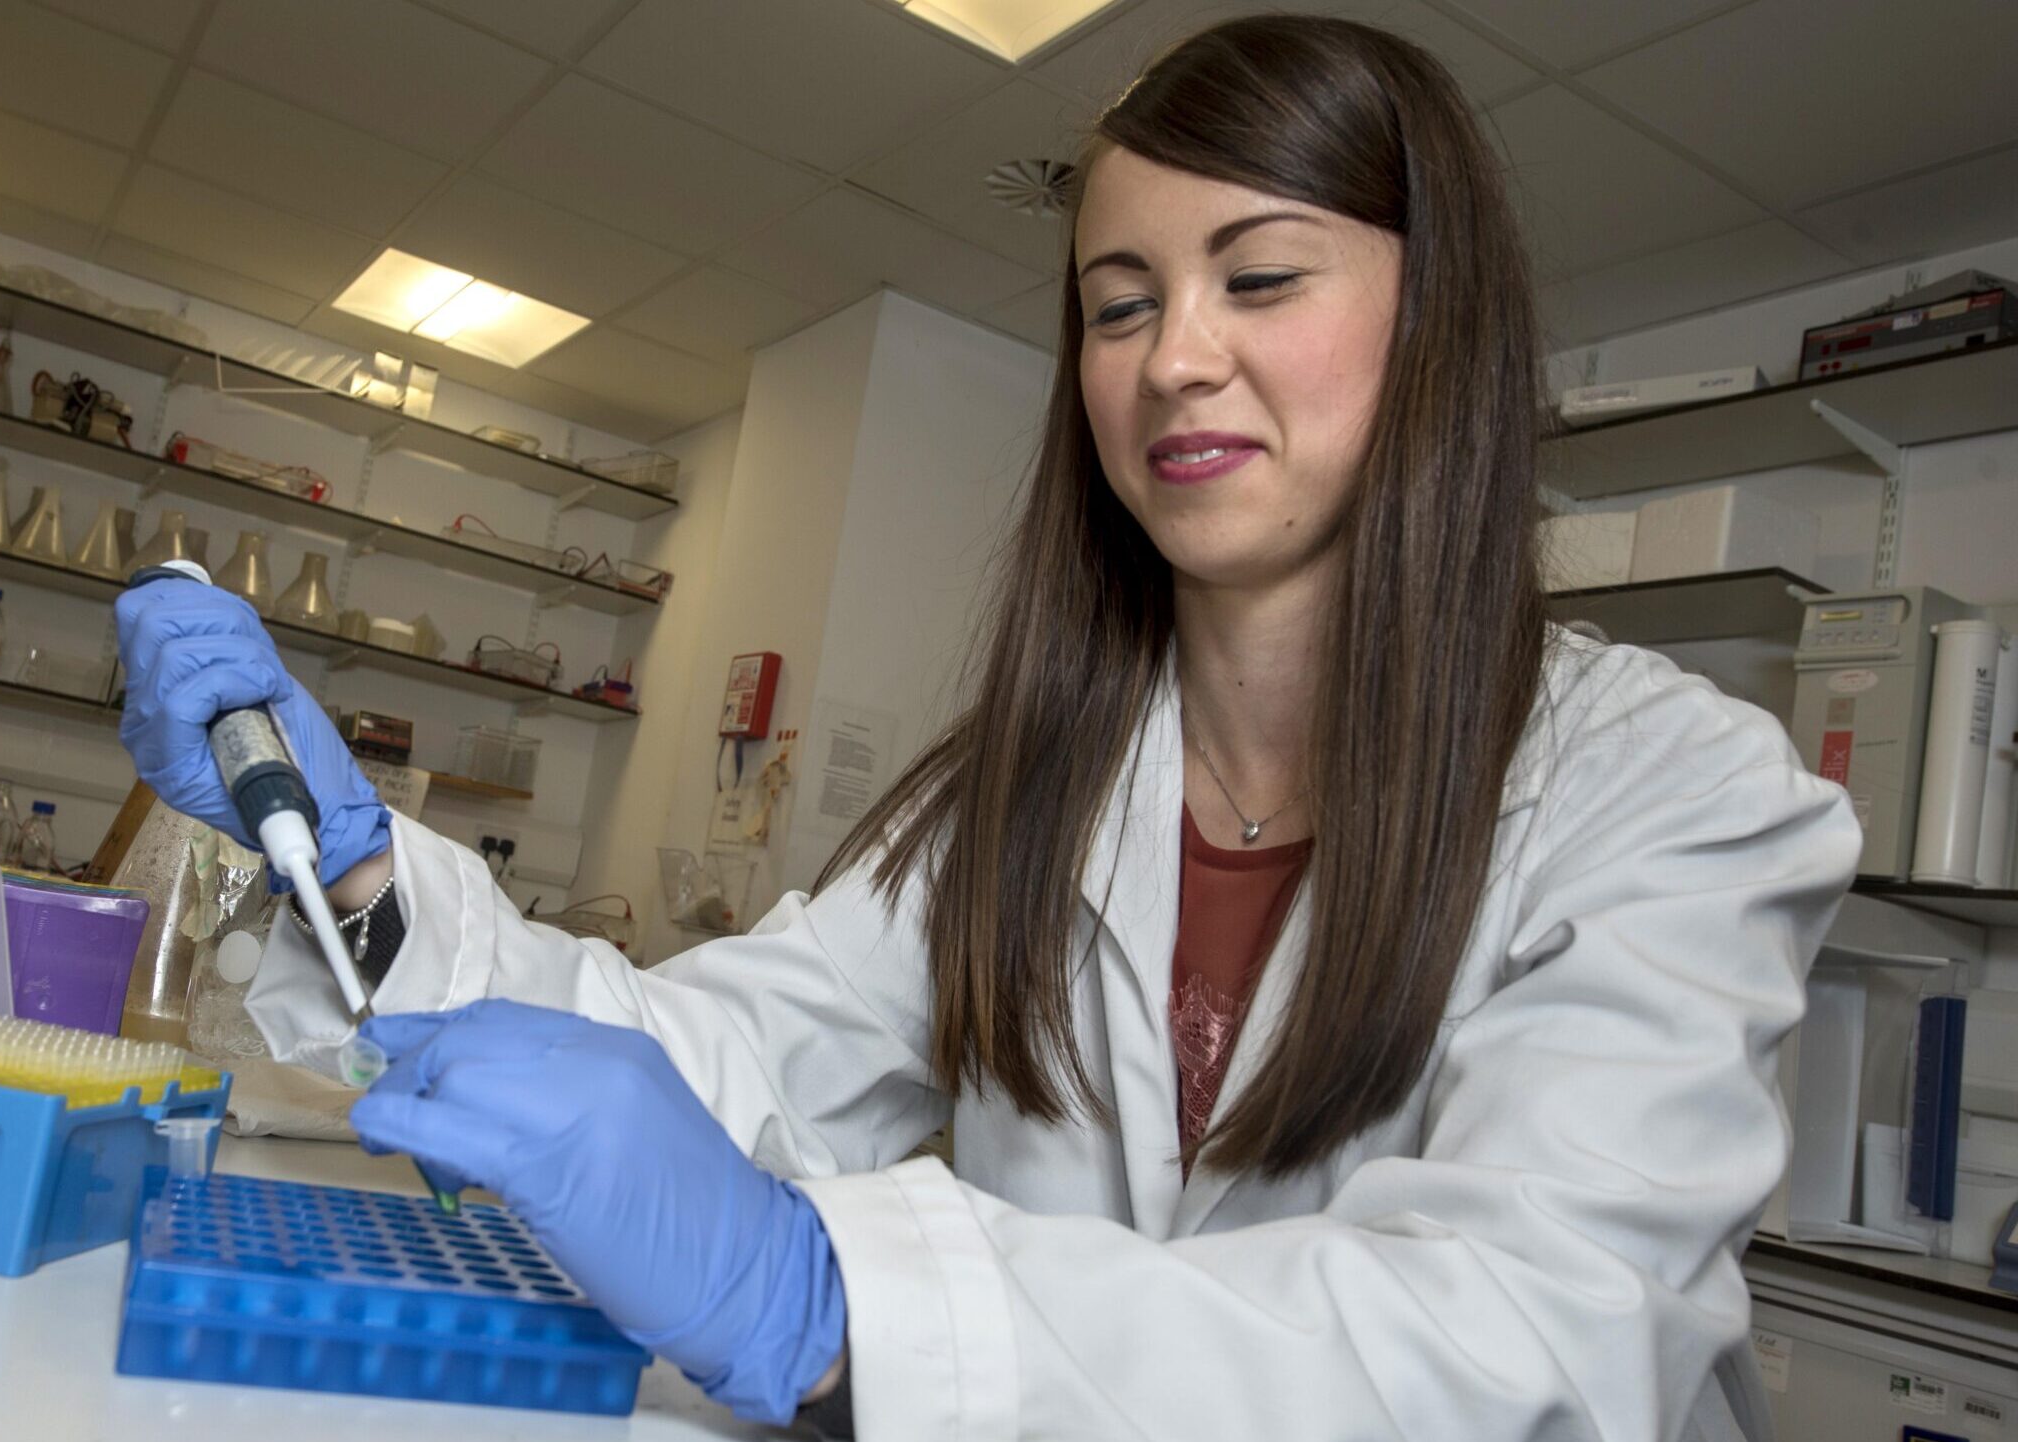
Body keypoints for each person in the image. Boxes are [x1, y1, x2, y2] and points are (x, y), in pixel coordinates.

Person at [114, 15, 1857, 1439]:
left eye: (1259, 279)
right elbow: (698, 1068)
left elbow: (1521, 1341)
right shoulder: (1026, 800)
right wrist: (351, 876)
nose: (1172, 356)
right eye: (1117, 300)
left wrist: (826, 1306)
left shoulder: (1674, 796)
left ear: (1441, 323)